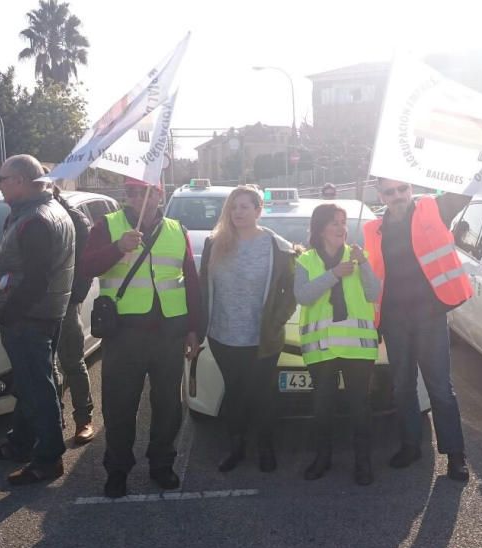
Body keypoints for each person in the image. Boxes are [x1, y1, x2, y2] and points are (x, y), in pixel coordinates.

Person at [81, 181, 202, 499]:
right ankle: (118, 470)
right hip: (124, 333)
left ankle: (162, 464)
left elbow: (190, 280)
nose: (138, 199)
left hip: (168, 334)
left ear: (159, 195)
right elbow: (86, 267)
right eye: (132, 193)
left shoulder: (178, 229)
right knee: (120, 407)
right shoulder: (107, 225)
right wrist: (117, 247)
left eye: (145, 193)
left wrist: (194, 328)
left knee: (168, 407)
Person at [362, 179, 473, 482]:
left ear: (410, 189)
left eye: (401, 189)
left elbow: (468, 189)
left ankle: (455, 455)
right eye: (389, 192)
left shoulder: (432, 210)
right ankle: (410, 446)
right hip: (394, 319)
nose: (396, 196)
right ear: (380, 196)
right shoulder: (373, 229)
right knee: (402, 386)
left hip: (429, 315)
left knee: (439, 387)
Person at [0, 154, 75, 486]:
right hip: (44, 312)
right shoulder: (47, 211)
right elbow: (35, 264)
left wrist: (8, 312)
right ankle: (20, 442)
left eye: (2, 178)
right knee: (31, 381)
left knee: (37, 387)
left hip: (30, 316)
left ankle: (48, 458)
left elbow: (37, 279)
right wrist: (3, 265)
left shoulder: (35, 218)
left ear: (20, 181)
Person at [199, 186, 296, 473]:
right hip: (223, 335)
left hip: (261, 338)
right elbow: (203, 284)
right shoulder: (214, 243)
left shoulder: (277, 246)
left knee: (262, 394)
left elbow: (290, 291)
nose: (238, 212)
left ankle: (265, 447)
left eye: (245, 206)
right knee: (235, 392)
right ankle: (236, 447)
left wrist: (276, 321)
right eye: (233, 206)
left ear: (258, 210)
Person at [294, 203, 380, 485]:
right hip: (322, 349)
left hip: (357, 348)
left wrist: (363, 263)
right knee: (322, 407)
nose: (342, 227)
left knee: (360, 408)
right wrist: (333, 275)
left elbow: (373, 293)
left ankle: (363, 462)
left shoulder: (358, 256)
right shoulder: (305, 260)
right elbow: (303, 296)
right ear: (320, 229)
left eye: (343, 222)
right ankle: (322, 458)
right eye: (334, 223)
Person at [48, 183, 96, 445]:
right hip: (36, 305)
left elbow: (85, 267)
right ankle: (54, 419)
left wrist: (73, 298)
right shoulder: (26, 216)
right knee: (48, 366)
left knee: (72, 362)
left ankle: (84, 418)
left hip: (65, 304)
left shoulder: (75, 220)